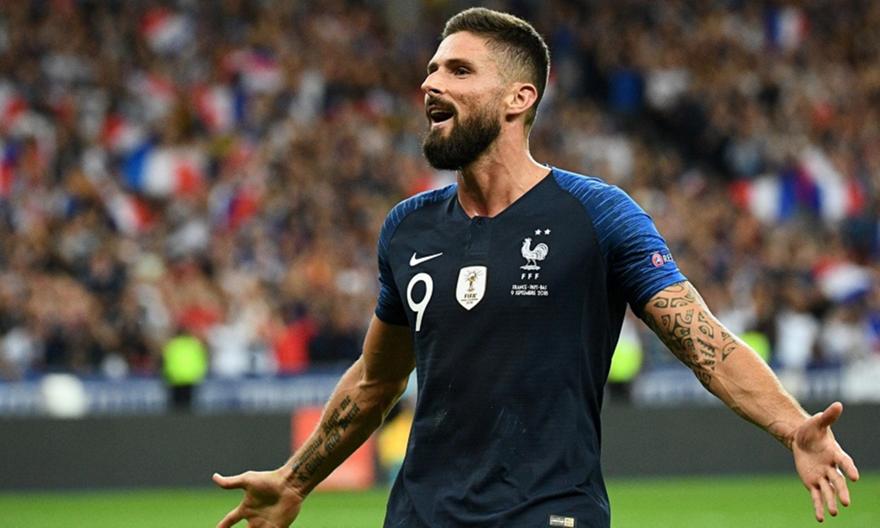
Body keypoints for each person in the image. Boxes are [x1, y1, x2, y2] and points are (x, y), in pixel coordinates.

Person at [213, 7, 860, 527]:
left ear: (519, 98)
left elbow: (703, 342)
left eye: (458, 70)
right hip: (419, 516)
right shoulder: (407, 228)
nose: (431, 84)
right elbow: (376, 380)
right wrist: (294, 479)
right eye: (432, 70)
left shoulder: (597, 214)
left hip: (549, 513)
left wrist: (792, 427)